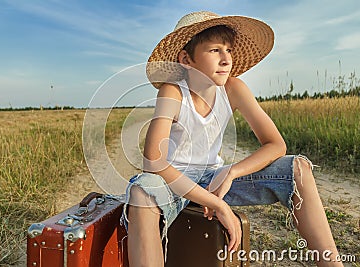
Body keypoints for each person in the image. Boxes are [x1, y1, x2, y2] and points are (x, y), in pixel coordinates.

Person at [121, 11, 343, 267]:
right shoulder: (173, 92)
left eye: (228, 49)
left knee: (298, 169)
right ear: (186, 59)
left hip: (214, 177)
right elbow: (154, 162)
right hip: (174, 182)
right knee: (142, 192)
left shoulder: (233, 89)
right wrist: (218, 204)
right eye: (215, 50)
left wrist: (232, 172)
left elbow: (276, 144)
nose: (227, 59)